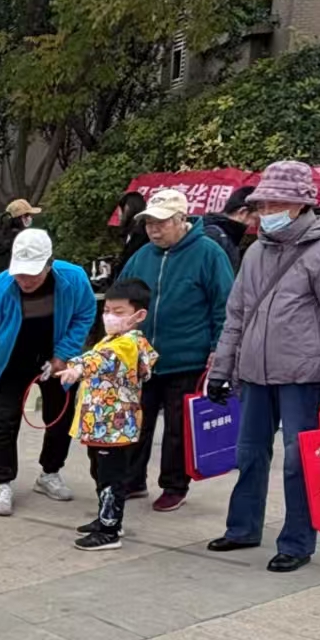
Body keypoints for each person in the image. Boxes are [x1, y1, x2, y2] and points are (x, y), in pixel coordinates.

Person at [206, 161, 320, 573]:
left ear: (301, 205)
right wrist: (221, 370)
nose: (268, 211)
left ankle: (297, 540)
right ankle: (243, 528)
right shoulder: (257, 251)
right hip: (254, 374)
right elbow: (236, 315)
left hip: (304, 375)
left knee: (300, 461)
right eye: (263, 204)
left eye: (277, 203)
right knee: (248, 453)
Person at [0, 228, 95, 516]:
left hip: (55, 359)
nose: (25, 280)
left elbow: (85, 315)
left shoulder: (73, 279)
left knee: (60, 418)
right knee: (6, 421)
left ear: (49, 264)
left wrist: (62, 356)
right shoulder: (0, 287)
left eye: (32, 274)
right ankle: (2, 483)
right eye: (20, 274)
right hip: (12, 361)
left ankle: (49, 473)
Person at [117, 189, 234, 511]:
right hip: (142, 358)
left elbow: (225, 306)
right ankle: (132, 480)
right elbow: (121, 298)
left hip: (187, 358)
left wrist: (219, 349)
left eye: (161, 223)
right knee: (136, 422)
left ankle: (174, 485)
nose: (154, 230)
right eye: (149, 224)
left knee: (178, 429)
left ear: (182, 219)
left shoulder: (209, 253)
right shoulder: (142, 256)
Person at [57, 279, 159, 551]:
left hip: (113, 426)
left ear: (139, 315)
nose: (110, 316)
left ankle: (109, 530)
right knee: (101, 472)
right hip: (101, 425)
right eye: (107, 310)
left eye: (119, 311)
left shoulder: (128, 343)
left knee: (111, 477)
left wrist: (77, 368)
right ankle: (107, 518)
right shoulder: (113, 339)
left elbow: (100, 359)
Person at [202, 185, 256, 272]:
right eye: (256, 219)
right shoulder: (214, 235)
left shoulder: (231, 236)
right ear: (243, 212)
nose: (255, 225)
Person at [115, 190, 152, 273]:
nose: (119, 215)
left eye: (120, 210)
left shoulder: (142, 233)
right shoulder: (130, 232)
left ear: (128, 207)